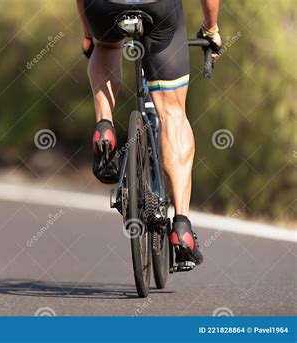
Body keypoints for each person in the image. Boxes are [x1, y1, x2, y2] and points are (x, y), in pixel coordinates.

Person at [77, 0, 222, 265]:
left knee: (106, 45)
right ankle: (181, 227)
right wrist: (211, 29)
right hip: (158, 7)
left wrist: (90, 34)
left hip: (103, 7)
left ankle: (104, 127)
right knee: (172, 113)